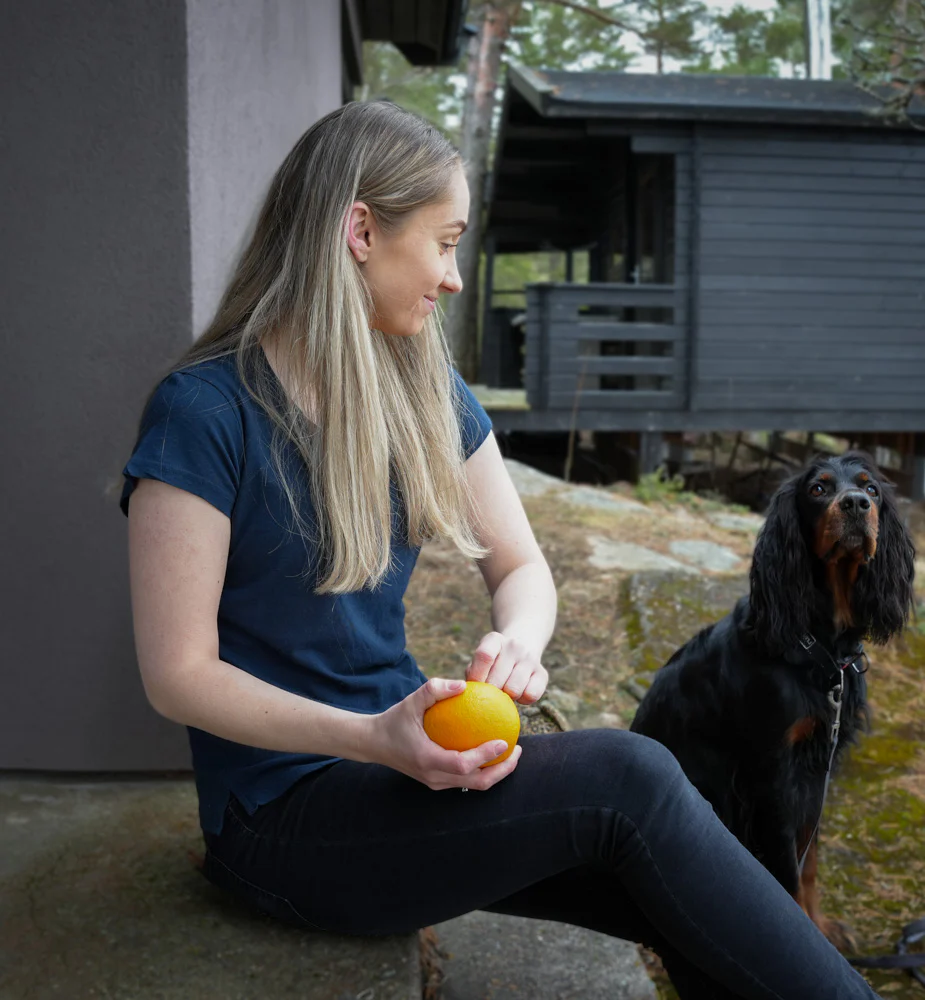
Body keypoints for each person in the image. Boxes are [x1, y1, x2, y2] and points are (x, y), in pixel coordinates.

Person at [121, 100, 881, 1000]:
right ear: (360, 231)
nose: (452, 278)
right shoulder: (204, 413)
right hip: (283, 817)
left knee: (688, 890)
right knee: (631, 775)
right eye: (444, 244)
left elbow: (521, 569)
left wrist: (517, 642)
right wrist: (372, 737)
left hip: (410, 772)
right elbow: (177, 676)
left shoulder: (418, 385)